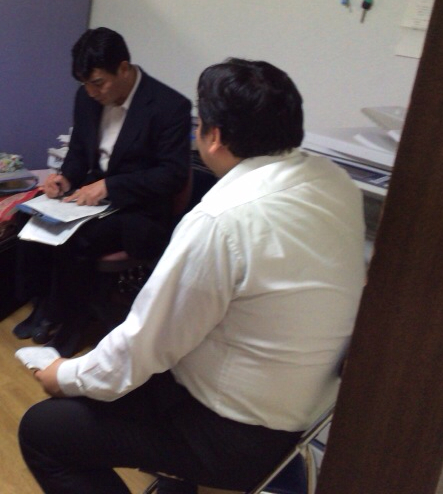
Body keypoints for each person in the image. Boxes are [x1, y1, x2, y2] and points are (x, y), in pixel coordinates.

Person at [18, 58, 367, 493]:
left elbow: (146, 344)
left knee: (45, 431)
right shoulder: (336, 182)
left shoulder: (222, 220)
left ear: (213, 136)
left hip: (238, 436)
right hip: (311, 416)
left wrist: (64, 376)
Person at [13, 27, 191, 357]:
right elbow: (80, 151)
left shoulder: (169, 106)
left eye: (98, 83)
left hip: (140, 211)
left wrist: (110, 186)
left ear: (123, 69)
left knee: (76, 238)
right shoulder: (87, 97)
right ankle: (44, 306)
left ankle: (73, 321)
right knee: (29, 218)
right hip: (93, 199)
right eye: (85, 84)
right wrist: (65, 178)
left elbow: (172, 175)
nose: (91, 92)